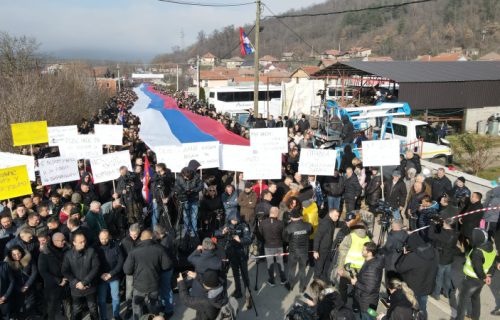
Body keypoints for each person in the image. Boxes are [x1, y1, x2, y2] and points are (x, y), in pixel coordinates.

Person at [123, 230, 172, 320]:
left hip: (139, 286)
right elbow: (167, 266)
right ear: (151, 238)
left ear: (141, 239)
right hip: (154, 285)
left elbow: (127, 270)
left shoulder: (134, 251)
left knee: (137, 309)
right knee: (154, 308)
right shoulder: (159, 249)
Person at [455, 228, 496, 320]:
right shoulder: (491, 246)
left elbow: (478, 268)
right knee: (475, 298)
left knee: (462, 302)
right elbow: (493, 263)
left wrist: (484, 277)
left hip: (471, 280)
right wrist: (489, 275)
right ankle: (475, 317)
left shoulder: (477, 252)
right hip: (481, 281)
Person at [395, 233, 438, 319]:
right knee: (422, 308)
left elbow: (399, 268)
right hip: (427, 287)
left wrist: (405, 255)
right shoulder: (434, 252)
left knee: (411, 308)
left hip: (413, 289)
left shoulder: (413, 256)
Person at [62, 232, 100, 320]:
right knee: (76, 309)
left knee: (93, 308)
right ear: (74, 242)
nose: (83, 243)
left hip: (90, 287)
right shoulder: (68, 254)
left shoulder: (91, 251)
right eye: (81, 242)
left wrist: (85, 282)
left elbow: (96, 267)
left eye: (84, 241)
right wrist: (76, 282)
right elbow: (65, 270)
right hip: (76, 288)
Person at [337, 212, 371, 304]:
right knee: (357, 287)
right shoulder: (367, 238)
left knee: (342, 287)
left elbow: (342, 253)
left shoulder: (350, 236)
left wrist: (340, 268)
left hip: (348, 268)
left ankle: (342, 304)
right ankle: (356, 305)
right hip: (361, 269)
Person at [38, 232, 71, 320]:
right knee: (51, 308)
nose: (63, 242)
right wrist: (58, 280)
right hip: (52, 285)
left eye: (64, 240)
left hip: (67, 283)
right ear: (54, 241)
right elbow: (43, 271)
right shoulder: (45, 253)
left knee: (68, 305)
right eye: (61, 240)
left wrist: (67, 277)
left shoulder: (68, 249)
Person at [221, 213, 251, 300]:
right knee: (235, 274)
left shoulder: (243, 226)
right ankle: (238, 291)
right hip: (232, 254)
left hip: (242, 254)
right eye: (233, 220)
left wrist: (240, 240)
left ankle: (247, 294)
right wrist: (223, 232)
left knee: (245, 275)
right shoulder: (227, 225)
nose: (234, 222)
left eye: (236, 220)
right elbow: (218, 234)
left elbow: (248, 239)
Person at [351, 242, 384, 320]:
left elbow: (370, 288)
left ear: (369, 253)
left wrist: (356, 283)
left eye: (364, 250)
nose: (361, 251)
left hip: (367, 304)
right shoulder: (369, 261)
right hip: (365, 301)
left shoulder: (372, 268)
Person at [428, 218, 459, 300]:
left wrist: (432, 224)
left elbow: (431, 235)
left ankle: (436, 294)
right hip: (449, 257)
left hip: (442, 258)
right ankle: (446, 292)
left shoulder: (445, 236)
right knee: (447, 276)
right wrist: (440, 222)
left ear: (448, 225)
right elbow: (443, 231)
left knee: (439, 277)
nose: (443, 224)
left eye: (444, 223)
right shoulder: (454, 232)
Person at [96, 230, 123, 320]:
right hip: (101, 277)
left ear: (109, 237)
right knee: (102, 300)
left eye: (106, 238)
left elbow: (120, 262)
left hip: (113, 276)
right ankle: (104, 317)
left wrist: (111, 273)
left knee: (115, 297)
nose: (104, 241)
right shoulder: (95, 247)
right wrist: (100, 274)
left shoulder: (116, 246)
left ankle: (116, 315)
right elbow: (93, 264)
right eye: (102, 239)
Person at [284, 208, 313, 292]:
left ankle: (290, 285)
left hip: (293, 252)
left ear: (292, 217)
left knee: (291, 269)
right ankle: (302, 287)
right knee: (302, 269)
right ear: (301, 216)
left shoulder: (288, 227)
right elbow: (310, 233)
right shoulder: (308, 225)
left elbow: (285, 239)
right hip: (304, 252)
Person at [5, 245, 37, 318]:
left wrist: (27, 285)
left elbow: (34, 272)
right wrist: (19, 288)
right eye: (14, 254)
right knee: (19, 309)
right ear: (10, 255)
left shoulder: (29, 259)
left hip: (29, 288)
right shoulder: (8, 264)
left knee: (30, 306)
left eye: (18, 253)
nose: (17, 256)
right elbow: (10, 279)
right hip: (16, 290)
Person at [258, 207, 287, 286]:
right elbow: (284, 236)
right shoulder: (281, 223)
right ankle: (283, 279)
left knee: (270, 263)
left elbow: (259, 235)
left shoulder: (263, 223)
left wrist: (264, 240)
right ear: (277, 213)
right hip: (279, 246)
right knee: (280, 262)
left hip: (268, 246)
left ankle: (271, 280)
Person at [174, 161, 204, 237]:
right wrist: (182, 191)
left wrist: (193, 190)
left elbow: (201, 186)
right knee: (186, 216)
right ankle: (186, 231)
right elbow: (176, 187)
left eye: (188, 177)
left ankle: (194, 232)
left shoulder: (196, 176)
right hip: (184, 198)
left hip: (194, 198)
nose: (186, 178)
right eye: (185, 177)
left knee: (194, 216)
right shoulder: (179, 177)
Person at [154, 225, 176, 317]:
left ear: (158, 233)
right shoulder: (167, 238)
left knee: (166, 289)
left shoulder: (164, 243)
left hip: (166, 269)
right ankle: (165, 305)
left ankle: (169, 309)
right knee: (164, 288)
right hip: (167, 267)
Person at [313, 208, 340, 282]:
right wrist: (315, 251)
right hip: (322, 250)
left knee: (326, 265)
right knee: (319, 267)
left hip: (328, 248)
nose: (337, 218)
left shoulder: (331, 221)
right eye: (336, 216)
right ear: (330, 214)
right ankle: (316, 283)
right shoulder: (325, 223)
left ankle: (323, 279)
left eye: (338, 216)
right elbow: (317, 237)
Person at [121, 223, 140, 318]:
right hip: (130, 271)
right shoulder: (125, 242)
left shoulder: (140, 240)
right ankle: (129, 308)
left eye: (135, 234)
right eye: (131, 234)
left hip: (140, 270)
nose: (133, 236)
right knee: (129, 291)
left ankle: (139, 307)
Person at [150, 162, 174, 230]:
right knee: (156, 215)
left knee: (167, 214)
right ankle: (154, 230)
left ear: (161, 168)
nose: (155, 169)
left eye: (157, 167)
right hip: (156, 199)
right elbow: (152, 188)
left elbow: (173, 189)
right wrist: (153, 197)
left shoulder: (168, 176)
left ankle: (168, 229)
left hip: (165, 198)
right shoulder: (155, 176)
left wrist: (168, 198)